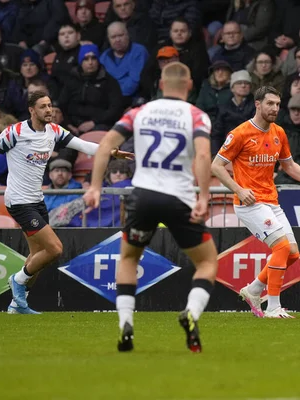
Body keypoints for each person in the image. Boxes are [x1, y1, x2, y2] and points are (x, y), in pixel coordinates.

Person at [83, 62, 218, 353]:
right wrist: (204, 196)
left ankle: (125, 324)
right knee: (207, 263)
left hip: (142, 197)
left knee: (129, 258)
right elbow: (204, 155)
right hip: (178, 198)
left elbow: (106, 144)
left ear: (160, 84)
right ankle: (191, 314)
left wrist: (95, 186)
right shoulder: (197, 115)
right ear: (190, 85)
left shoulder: (138, 112)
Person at [0, 90, 133, 315]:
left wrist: (111, 152)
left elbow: (84, 146)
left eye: (50, 105)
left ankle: (17, 304)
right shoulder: (16, 132)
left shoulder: (54, 131)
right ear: (32, 111)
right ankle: (17, 280)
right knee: (55, 249)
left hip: (37, 199)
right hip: (19, 202)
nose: (49, 110)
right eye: (43, 107)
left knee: (36, 257)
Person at [211, 86, 300, 318]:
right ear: (258, 104)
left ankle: (253, 289)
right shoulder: (240, 133)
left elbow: (289, 165)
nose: (275, 108)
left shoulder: (279, 132)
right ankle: (273, 306)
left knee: (293, 254)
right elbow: (216, 166)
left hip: (271, 201)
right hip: (249, 202)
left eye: (277, 104)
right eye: (270, 104)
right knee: (282, 247)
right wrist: (238, 188)